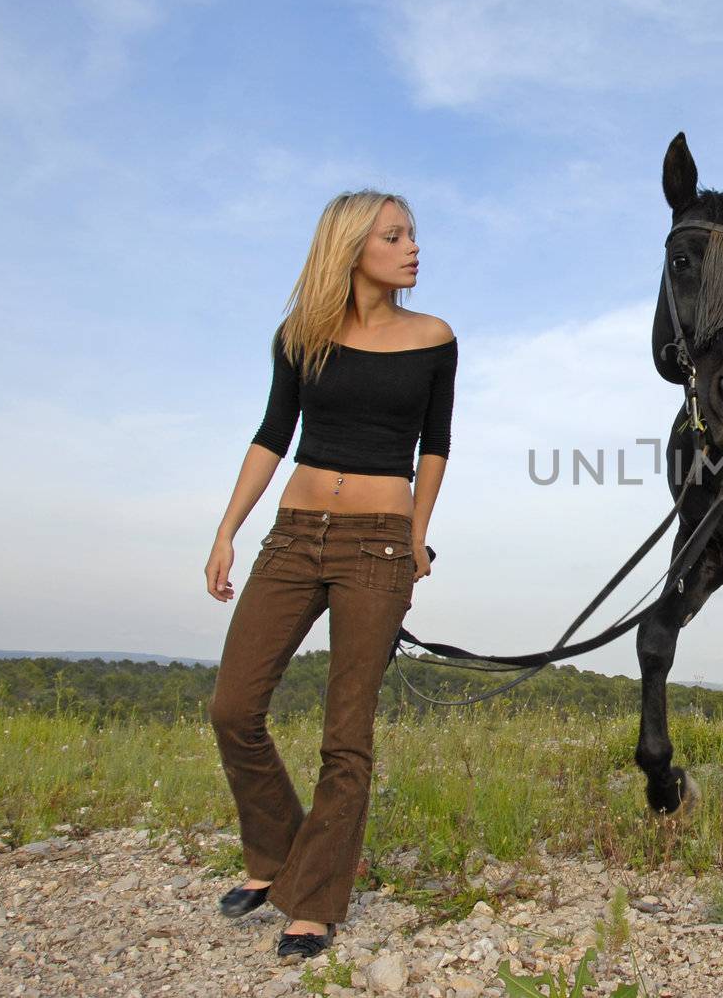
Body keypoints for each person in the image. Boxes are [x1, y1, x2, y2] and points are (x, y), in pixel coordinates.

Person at [202, 190, 457, 957]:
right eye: (394, 235)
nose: (413, 246)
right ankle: (279, 853)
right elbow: (273, 434)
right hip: (293, 534)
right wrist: (227, 529)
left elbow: (435, 446)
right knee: (232, 706)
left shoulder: (434, 338)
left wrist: (418, 536)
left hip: (377, 544)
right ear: (352, 248)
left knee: (346, 735)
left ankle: (313, 899)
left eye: (412, 233)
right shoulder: (301, 335)